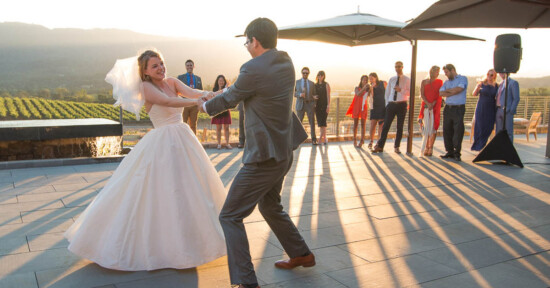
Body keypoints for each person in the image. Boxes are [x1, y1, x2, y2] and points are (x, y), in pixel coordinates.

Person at [64, 50, 227, 271]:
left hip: (182, 138)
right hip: (162, 142)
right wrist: (196, 101)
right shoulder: (145, 88)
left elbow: (192, 91)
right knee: (163, 191)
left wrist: (211, 93)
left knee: (188, 188)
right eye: (154, 66)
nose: (160, 68)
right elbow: (168, 102)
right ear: (145, 71)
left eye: (161, 63)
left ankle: (191, 242)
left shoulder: (172, 80)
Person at [198, 18, 314, 288]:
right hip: (284, 150)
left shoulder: (252, 68)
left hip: (264, 157)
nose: (246, 47)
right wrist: (225, 93)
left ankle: (246, 282)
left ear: (254, 42)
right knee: (270, 205)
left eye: (246, 42)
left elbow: (229, 98)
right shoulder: (286, 62)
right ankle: (302, 254)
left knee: (230, 215)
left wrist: (202, 106)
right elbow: (245, 90)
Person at [372, 61, 410, 154]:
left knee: (399, 127)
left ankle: (397, 147)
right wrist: (387, 105)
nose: (397, 68)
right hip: (391, 104)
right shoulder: (392, 79)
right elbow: (387, 93)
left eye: (399, 66)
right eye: (396, 67)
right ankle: (380, 146)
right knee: (386, 126)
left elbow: (410, 92)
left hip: (402, 104)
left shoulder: (407, 79)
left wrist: (401, 90)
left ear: (402, 67)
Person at [439, 64, 468, 161]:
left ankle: (457, 153)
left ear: (452, 70)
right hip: (448, 108)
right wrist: (452, 91)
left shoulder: (462, 79)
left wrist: (448, 92)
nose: (446, 74)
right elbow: (440, 93)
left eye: (446, 72)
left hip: (458, 108)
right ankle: (449, 151)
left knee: (458, 130)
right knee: (447, 130)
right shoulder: (446, 82)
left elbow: (459, 90)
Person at [418, 65, 443, 156]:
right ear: (431, 71)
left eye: (438, 72)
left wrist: (433, 103)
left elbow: (440, 94)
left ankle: (431, 147)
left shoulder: (440, 82)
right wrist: (428, 103)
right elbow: (422, 94)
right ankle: (426, 146)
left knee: (433, 127)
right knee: (426, 127)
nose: (438, 73)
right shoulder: (424, 82)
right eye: (436, 71)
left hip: (435, 107)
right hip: (425, 106)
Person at [471, 69, 498, 151]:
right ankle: (478, 146)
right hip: (481, 107)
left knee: (489, 127)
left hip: (491, 108)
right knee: (480, 126)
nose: (489, 76)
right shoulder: (482, 83)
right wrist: (477, 88)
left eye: (492, 75)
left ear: (495, 76)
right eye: (488, 74)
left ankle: (482, 145)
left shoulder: (497, 85)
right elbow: (474, 94)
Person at [177, 59, 203, 134]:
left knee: (193, 125)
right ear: (185, 67)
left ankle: (193, 142)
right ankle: (183, 142)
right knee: (183, 124)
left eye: (191, 65)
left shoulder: (198, 79)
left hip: (194, 105)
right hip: (184, 105)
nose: (189, 67)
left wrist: (200, 103)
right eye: (188, 65)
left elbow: (201, 91)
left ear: (193, 66)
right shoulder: (180, 77)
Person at [295, 67, 318, 145]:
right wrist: (299, 94)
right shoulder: (297, 82)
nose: (305, 74)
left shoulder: (312, 83)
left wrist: (314, 100)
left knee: (312, 123)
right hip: (300, 105)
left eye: (306, 73)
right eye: (304, 73)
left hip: (309, 105)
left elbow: (314, 94)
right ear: (301, 73)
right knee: (298, 123)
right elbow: (293, 93)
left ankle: (314, 139)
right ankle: (297, 141)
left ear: (308, 73)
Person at [346, 75, 370, 148]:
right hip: (356, 106)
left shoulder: (368, 89)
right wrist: (363, 88)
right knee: (355, 124)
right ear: (361, 80)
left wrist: (370, 88)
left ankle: (362, 140)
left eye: (366, 80)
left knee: (363, 124)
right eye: (363, 80)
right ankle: (355, 139)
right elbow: (358, 94)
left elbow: (370, 96)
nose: (365, 81)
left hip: (363, 107)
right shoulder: (357, 88)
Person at [495, 72, 520, 142]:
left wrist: (511, 111)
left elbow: (516, 98)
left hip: (507, 111)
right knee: (498, 132)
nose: (501, 74)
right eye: (500, 72)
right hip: (498, 110)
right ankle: (499, 149)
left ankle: (509, 151)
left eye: (502, 72)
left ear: (507, 73)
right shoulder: (500, 83)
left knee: (508, 132)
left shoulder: (513, 83)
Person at [211, 75, 232, 149]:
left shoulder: (227, 89)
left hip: (225, 109)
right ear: (217, 81)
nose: (221, 82)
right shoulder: (214, 89)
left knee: (226, 127)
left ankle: (227, 143)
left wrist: (226, 88)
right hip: (217, 110)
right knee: (218, 127)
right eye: (220, 80)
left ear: (224, 81)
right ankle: (219, 144)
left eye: (222, 80)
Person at [368, 72, 386, 150]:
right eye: (370, 79)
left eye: (372, 78)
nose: (371, 80)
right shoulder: (370, 86)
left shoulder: (383, 83)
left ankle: (378, 142)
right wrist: (371, 88)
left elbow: (388, 92)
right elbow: (371, 96)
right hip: (374, 107)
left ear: (376, 77)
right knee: (373, 125)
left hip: (382, 106)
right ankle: (371, 141)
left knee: (381, 125)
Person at [314, 71, 331, 145]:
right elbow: (313, 94)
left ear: (324, 76)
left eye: (321, 76)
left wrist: (328, 105)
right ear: (317, 76)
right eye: (319, 75)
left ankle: (320, 139)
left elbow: (328, 95)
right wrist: (313, 97)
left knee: (323, 122)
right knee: (320, 123)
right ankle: (325, 139)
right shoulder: (315, 85)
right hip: (317, 106)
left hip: (324, 105)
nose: (320, 77)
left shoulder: (326, 84)